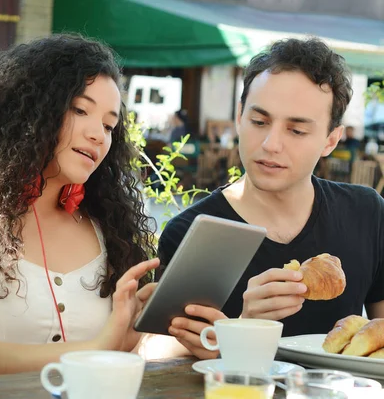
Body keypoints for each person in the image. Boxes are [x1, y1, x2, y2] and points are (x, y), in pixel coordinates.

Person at [0, 34, 160, 380]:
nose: (98, 135)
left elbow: (128, 358)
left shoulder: (105, 229)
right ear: (33, 110)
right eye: (80, 110)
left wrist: (160, 331)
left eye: (108, 125)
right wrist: (102, 346)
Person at [157, 37, 384, 360]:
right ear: (239, 117)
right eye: (259, 122)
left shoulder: (366, 213)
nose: (270, 143)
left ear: (331, 140)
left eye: (297, 131)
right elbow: (163, 365)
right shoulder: (193, 234)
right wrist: (242, 328)